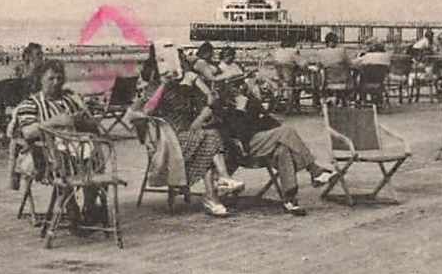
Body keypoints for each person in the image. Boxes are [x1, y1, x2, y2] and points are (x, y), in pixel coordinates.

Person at [208, 70, 332, 216]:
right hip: (241, 148)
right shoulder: (220, 106)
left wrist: (254, 109)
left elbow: (267, 120)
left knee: (283, 149)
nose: (240, 87)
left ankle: (289, 199)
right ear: (225, 88)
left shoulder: (249, 100)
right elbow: (235, 133)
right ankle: (314, 170)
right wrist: (240, 109)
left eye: (241, 83)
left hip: (260, 143)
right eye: (235, 85)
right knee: (287, 131)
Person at [10, 59, 107, 229]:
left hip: (75, 153)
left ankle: (85, 206)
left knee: (91, 157)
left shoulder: (69, 100)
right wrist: (54, 122)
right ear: (40, 79)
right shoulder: (30, 104)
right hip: (46, 157)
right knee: (74, 165)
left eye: (59, 78)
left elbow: (90, 126)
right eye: (51, 79)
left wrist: (84, 119)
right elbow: (28, 132)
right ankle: (77, 209)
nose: (56, 83)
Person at [141, 65, 243, 216]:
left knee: (210, 139)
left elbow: (208, 100)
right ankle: (218, 186)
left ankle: (215, 193)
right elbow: (147, 110)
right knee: (211, 138)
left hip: (188, 135)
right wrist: (163, 84)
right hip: (169, 141)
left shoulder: (184, 85)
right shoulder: (154, 86)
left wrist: (207, 93)